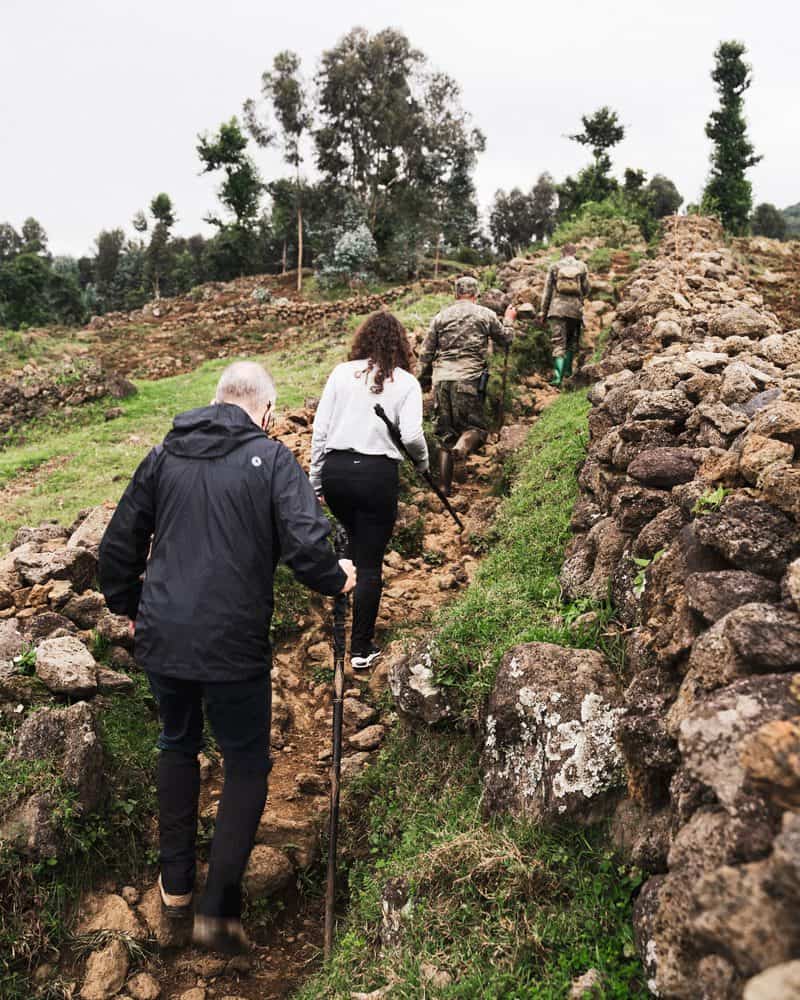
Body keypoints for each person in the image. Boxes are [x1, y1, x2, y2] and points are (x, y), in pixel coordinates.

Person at [98, 361, 356, 955]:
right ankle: (217, 910)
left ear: (215, 401)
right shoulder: (274, 460)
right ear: (267, 412)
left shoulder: (165, 454)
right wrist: (336, 576)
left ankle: (176, 889)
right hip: (234, 643)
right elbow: (306, 544)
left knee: (177, 742)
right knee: (245, 762)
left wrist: (131, 606)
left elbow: (118, 546)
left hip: (164, 635)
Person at [310, 311, 428, 670]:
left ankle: (341, 594)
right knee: (371, 562)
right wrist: (422, 463)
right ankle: (360, 648)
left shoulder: (340, 373)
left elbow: (320, 430)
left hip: (337, 471)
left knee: (351, 531)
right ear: (401, 345)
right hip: (377, 475)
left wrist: (316, 479)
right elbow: (411, 435)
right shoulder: (406, 383)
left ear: (362, 339)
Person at [418, 275, 516, 495]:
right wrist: (509, 319)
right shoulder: (485, 314)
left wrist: (420, 380)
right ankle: (462, 448)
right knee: (476, 429)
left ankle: (444, 487)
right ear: (476, 294)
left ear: (456, 294)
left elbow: (426, 354)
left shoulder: (441, 317)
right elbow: (506, 339)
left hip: (441, 381)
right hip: (468, 379)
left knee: (445, 435)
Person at [540, 242, 590, 387]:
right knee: (570, 342)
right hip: (575, 311)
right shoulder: (582, 266)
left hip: (557, 310)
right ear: (575, 252)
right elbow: (586, 288)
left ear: (562, 253)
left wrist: (543, 312)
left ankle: (557, 378)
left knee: (558, 342)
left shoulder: (554, 266)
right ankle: (568, 373)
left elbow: (547, 291)